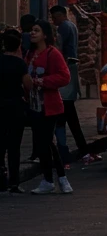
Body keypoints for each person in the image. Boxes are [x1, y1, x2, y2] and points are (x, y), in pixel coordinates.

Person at [48, 4, 99, 165]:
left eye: (55, 17)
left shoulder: (63, 27)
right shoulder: (72, 26)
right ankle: (81, 151)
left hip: (65, 72)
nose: (54, 21)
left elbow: (61, 48)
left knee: (64, 116)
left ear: (61, 15)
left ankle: (67, 152)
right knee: (69, 117)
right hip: (71, 70)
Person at [26, 20, 73, 195]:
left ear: (45, 35)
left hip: (49, 105)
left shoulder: (53, 54)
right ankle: (54, 179)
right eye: (31, 30)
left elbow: (64, 77)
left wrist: (42, 81)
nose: (32, 33)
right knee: (45, 143)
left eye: (36, 30)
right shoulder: (30, 54)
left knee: (44, 142)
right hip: (33, 105)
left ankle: (57, 178)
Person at [0, 28, 31, 195]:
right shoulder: (20, 64)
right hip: (15, 107)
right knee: (14, 147)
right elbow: (28, 85)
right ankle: (14, 182)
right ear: (18, 45)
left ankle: (1, 179)